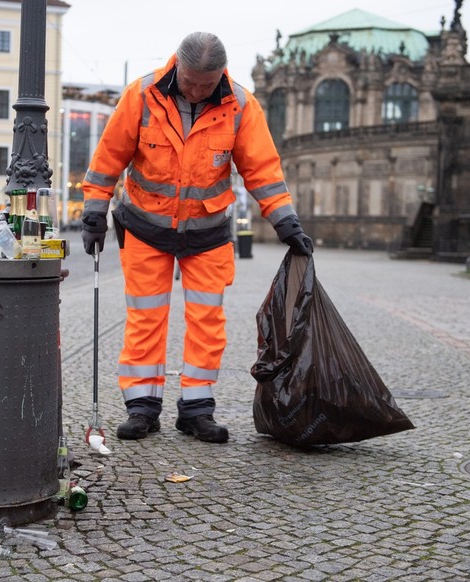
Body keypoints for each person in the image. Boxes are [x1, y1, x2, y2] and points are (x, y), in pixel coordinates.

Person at [80, 32, 313, 444]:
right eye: (192, 82)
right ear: (177, 68)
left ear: (221, 73)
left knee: (207, 320)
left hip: (207, 233)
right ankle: (142, 407)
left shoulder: (240, 104)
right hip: (146, 227)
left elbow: (262, 169)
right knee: (146, 318)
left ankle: (196, 408)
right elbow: (108, 158)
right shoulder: (143, 95)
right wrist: (94, 210)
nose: (198, 91)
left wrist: (285, 221)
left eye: (208, 84)